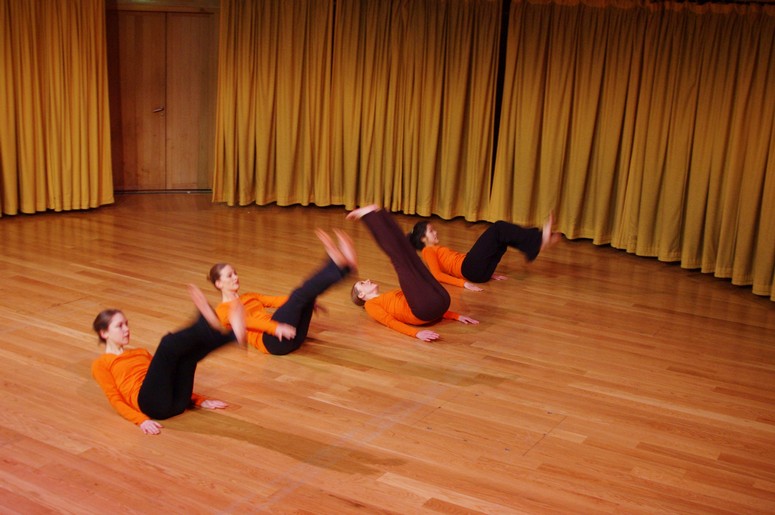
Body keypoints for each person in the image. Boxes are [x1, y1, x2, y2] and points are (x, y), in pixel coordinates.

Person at [91, 284, 246, 435]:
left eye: (126, 324)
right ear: (104, 333)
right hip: (152, 406)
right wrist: (140, 420)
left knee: (187, 357)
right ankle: (205, 327)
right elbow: (115, 399)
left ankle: (231, 336)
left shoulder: (140, 352)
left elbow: (168, 377)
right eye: (119, 326)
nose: (126, 329)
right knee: (167, 344)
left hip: (178, 404)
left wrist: (199, 401)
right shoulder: (101, 364)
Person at [208, 228, 357, 355]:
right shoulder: (222, 311)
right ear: (219, 283)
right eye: (229, 275)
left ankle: (345, 269)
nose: (236, 277)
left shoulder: (249, 296)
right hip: (272, 342)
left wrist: (305, 303)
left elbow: (276, 301)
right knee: (299, 295)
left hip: (292, 337)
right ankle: (336, 265)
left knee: (305, 297)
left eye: (235, 273)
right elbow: (248, 322)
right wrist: (276, 328)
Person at [347, 205, 478, 342]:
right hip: (424, 311)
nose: (367, 280)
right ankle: (372, 216)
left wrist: (456, 316)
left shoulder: (391, 295)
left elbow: (426, 299)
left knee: (408, 254)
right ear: (361, 295)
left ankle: (379, 214)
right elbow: (390, 322)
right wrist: (416, 333)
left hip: (441, 302)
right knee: (400, 258)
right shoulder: (370, 305)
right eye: (362, 283)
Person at [407, 214, 561, 291]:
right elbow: (437, 275)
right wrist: (464, 284)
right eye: (431, 231)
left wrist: (490, 274)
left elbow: (450, 269)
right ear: (423, 239)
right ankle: (538, 240)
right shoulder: (428, 251)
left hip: (477, 273)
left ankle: (535, 245)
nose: (435, 232)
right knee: (498, 228)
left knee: (502, 239)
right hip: (470, 269)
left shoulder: (434, 250)